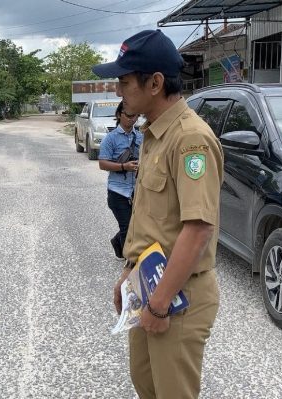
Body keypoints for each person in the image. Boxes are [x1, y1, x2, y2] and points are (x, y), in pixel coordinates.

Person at [92, 29, 223, 399]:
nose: (119, 91)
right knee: (146, 386)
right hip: (148, 286)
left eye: (124, 81)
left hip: (176, 296)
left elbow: (197, 230)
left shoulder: (189, 139)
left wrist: (160, 304)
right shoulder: (154, 135)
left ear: (155, 83)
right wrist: (128, 272)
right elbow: (151, 220)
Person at [98, 101, 143, 259]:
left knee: (136, 226)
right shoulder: (110, 139)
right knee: (127, 228)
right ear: (119, 115)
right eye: (129, 115)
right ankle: (130, 262)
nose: (133, 119)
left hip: (135, 191)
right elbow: (102, 164)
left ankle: (117, 243)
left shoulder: (140, 137)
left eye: (136, 116)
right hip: (117, 192)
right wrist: (124, 166)